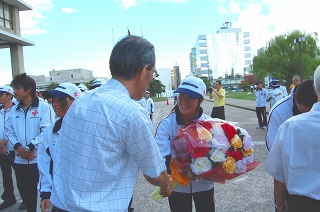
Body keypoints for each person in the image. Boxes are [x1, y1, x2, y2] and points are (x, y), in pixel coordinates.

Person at [50, 35, 172, 211]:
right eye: (153, 72)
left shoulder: (81, 100)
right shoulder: (132, 112)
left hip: (60, 206)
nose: (152, 78)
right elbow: (154, 173)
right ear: (143, 71)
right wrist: (166, 182)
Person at [155, 76, 215, 212]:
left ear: (201, 100)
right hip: (178, 187)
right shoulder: (166, 124)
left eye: (191, 97)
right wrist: (166, 180)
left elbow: (217, 153)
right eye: (182, 95)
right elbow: (160, 157)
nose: (184, 101)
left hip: (204, 185)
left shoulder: (210, 123)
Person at [265, 65, 320, 211]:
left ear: (315, 89)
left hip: (304, 204)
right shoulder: (283, 116)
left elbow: (278, 172)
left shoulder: (291, 126)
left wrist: (280, 206)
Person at [5, 73, 53, 212]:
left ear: (29, 89)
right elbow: (9, 131)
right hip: (19, 161)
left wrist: (29, 147)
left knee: (41, 198)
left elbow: (46, 131)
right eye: (14, 88)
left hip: (38, 161)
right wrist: (18, 148)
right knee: (26, 197)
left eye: (18, 88)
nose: (15, 92)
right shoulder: (14, 110)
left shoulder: (44, 107)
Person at [37, 83, 81, 212]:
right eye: (54, 100)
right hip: (61, 199)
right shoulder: (50, 131)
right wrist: (45, 193)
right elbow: (44, 163)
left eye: (60, 100)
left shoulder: (89, 128)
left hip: (88, 199)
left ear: (75, 100)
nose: (55, 104)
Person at [265, 79, 317, 151]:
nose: (307, 116)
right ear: (294, 97)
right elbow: (272, 145)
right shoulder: (278, 111)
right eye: (304, 111)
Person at [0, 86, 18, 210]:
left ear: (9, 96)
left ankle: (26, 199)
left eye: (1, 94)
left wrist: (5, 140)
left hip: (15, 149)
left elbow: (18, 129)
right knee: (6, 175)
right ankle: (9, 198)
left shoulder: (17, 110)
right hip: (2, 150)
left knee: (21, 175)